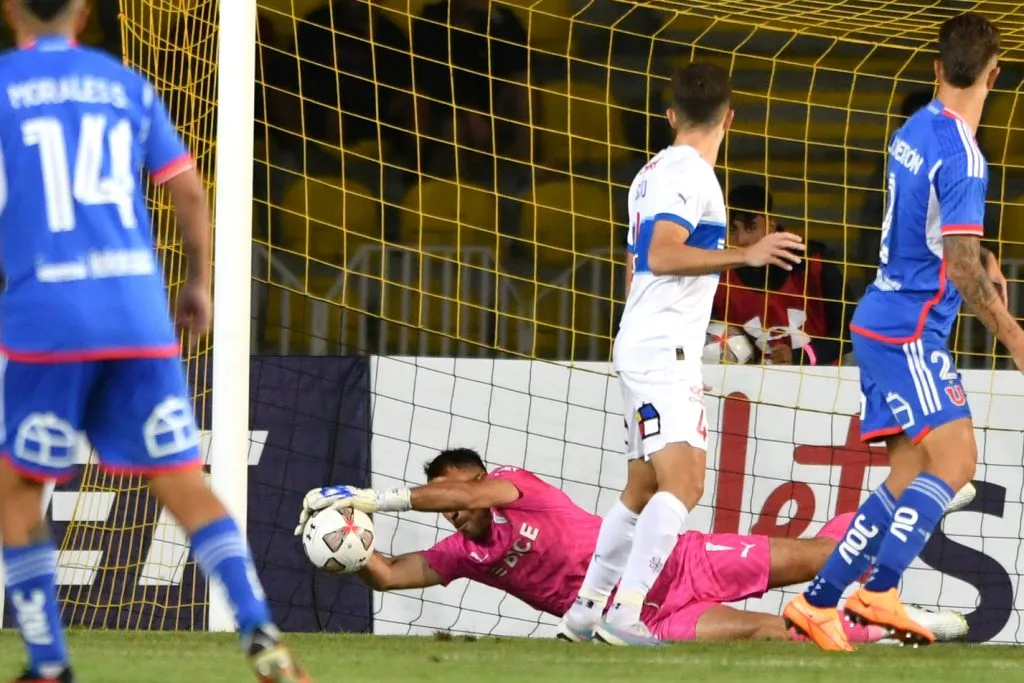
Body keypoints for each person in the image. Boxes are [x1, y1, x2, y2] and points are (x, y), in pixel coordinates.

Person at [0, 2, 309, 682]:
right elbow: (190, 193)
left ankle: (49, 663)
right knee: (182, 479)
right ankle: (264, 636)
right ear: (82, 12)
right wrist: (197, 283)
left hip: (48, 317)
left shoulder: (3, 88)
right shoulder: (125, 85)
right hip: (139, 313)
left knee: (18, 487)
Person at [782, 12, 1023, 652]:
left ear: (938, 69)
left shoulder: (913, 129)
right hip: (912, 330)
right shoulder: (967, 157)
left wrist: (981, 255)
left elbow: (946, 236)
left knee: (904, 476)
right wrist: (1013, 335)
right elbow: (961, 262)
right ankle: (882, 589)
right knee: (957, 462)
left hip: (881, 318)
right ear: (995, 76)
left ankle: (817, 601)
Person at [545, 62, 805, 647]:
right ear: (730, 118)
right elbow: (662, 254)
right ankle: (626, 612)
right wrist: (748, 254)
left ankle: (585, 610)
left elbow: (643, 261)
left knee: (642, 486)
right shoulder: (690, 173)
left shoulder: (652, 170)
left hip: (644, 337)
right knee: (685, 481)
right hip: (664, 347)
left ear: (671, 115)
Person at [293, 448, 969, 644]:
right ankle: (891, 631)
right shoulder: (464, 556)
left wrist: (371, 498)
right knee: (778, 635)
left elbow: (464, 497)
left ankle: (908, 507)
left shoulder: (512, 488)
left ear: (476, 478)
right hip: (652, 618)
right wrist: (346, 550)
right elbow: (389, 573)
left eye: (451, 489)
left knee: (815, 556)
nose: (452, 507)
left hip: (678, 559)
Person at [715, 183, 850, 365]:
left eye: (751, 228)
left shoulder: (814, 262)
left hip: (823, 379)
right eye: (733, 230)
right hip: (750, 384)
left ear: (771, 224)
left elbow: (849, 331)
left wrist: (800, 356)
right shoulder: (720, 274)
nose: (741, 240)